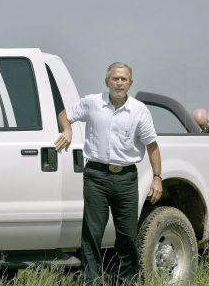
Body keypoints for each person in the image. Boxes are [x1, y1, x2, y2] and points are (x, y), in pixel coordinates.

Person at [54, 62, 162, 286]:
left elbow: (152, 146)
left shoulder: (139, 110)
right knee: (92, 234)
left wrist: (157, 177)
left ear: (130, 83)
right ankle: (92, 281)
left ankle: (127, 281)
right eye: (115, 79)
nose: (119, 83)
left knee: (127, 236)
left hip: (126, 179)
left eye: (124, 79)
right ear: (107, 81)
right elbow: (65, 114)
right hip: (96, 176)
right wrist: (68, 129)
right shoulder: (93, 103)